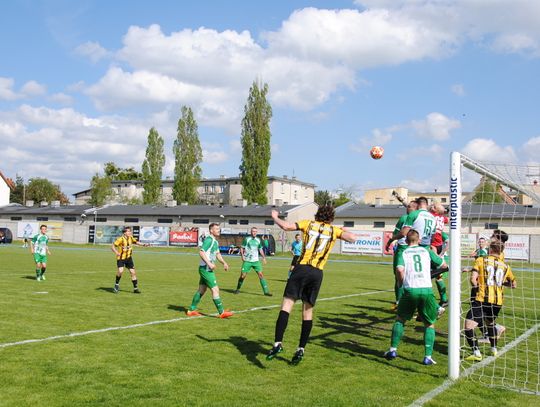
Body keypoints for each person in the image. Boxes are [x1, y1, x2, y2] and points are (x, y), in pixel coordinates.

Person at [266, 206, 357, 364]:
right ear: (331, 218)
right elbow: (353, 238)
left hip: (301, 268)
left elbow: (286, 226)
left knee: (287, 305)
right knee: (308, 312)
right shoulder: (333, 230)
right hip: (316, 273)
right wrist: (341, 228)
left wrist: (275, 217)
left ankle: (277, 343)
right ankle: (301, 348)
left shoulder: (308, 224)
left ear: (317, 215)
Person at [384, 229, 448, 365]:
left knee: (400, 320)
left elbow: (400, 269)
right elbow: (443, 265)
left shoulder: (403, 252)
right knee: (429, 324)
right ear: (419, 240)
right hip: (426, 290)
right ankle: (427, 357)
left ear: (406, 241)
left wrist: (400, 282)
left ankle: (393, 350)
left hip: (410, 290)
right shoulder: (426, 251)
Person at [464, 240, 516, 361]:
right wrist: (500, 283)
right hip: (497, 302)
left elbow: (473, 280)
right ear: (501, 251)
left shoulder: (481, 260)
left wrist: (477, 288)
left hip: (482, 299)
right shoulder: (506, 266)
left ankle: (476, 352)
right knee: (490, 323)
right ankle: (493, 349)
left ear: (490, 249)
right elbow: (514, 284)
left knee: (468, 326)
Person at [186, 223, 233, 319]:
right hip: (206, 269)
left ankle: (191, 310)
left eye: (219, 229)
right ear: (211, 230)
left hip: (206, 269)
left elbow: (217, 254)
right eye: (216, 229)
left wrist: (224, 262)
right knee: (215, 289)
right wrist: (209, 263)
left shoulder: (215, 242)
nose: (218, 230)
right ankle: (222, 312)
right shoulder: (209, 240)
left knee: (202, 290)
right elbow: (201, 252)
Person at [385, 200, 418, 310]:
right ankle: (415, 305)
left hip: (403, 249)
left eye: (409, 206)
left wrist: (390, 242)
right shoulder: (421, 218)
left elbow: (397, 233)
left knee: (399, 276)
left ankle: (399, 302)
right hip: (417, 249)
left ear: (414, 208)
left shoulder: (405, 218)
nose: (406, 208)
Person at [234, 227, 271, 296]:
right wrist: (242, 256)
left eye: (255, 231)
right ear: (251, 232)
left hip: (256, 261)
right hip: (247, 261)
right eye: (253, 231)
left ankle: (266, 291)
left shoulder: (258, 240)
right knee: (242, 276)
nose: (254, 233)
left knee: (261, 275)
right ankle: (238, 289)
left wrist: (264, 258)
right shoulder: (247, 239)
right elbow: (242, 248)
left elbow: (260, 249)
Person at [111, 226, 148, 294]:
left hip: (129, 258)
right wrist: (116, 252)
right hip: (121, 258)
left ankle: (135, 289)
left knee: (133, 272)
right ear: (124, 233)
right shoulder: (120, 239)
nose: (130, 232)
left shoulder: (131, 238)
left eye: (130, 231)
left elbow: (136, 242)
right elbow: (113, 246)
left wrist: (144, 244)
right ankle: (116, 285)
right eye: (128, 231)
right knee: (120, 271)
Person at [430, 203, 449, 308]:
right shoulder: (442, 218)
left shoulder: (432, 216)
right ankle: (444, 299)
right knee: (438, 276)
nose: (432, 206)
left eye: (434, 206)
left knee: (427, 276)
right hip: (439, 245)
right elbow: (447, 219)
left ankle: (429, 304)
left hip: (433, 245)